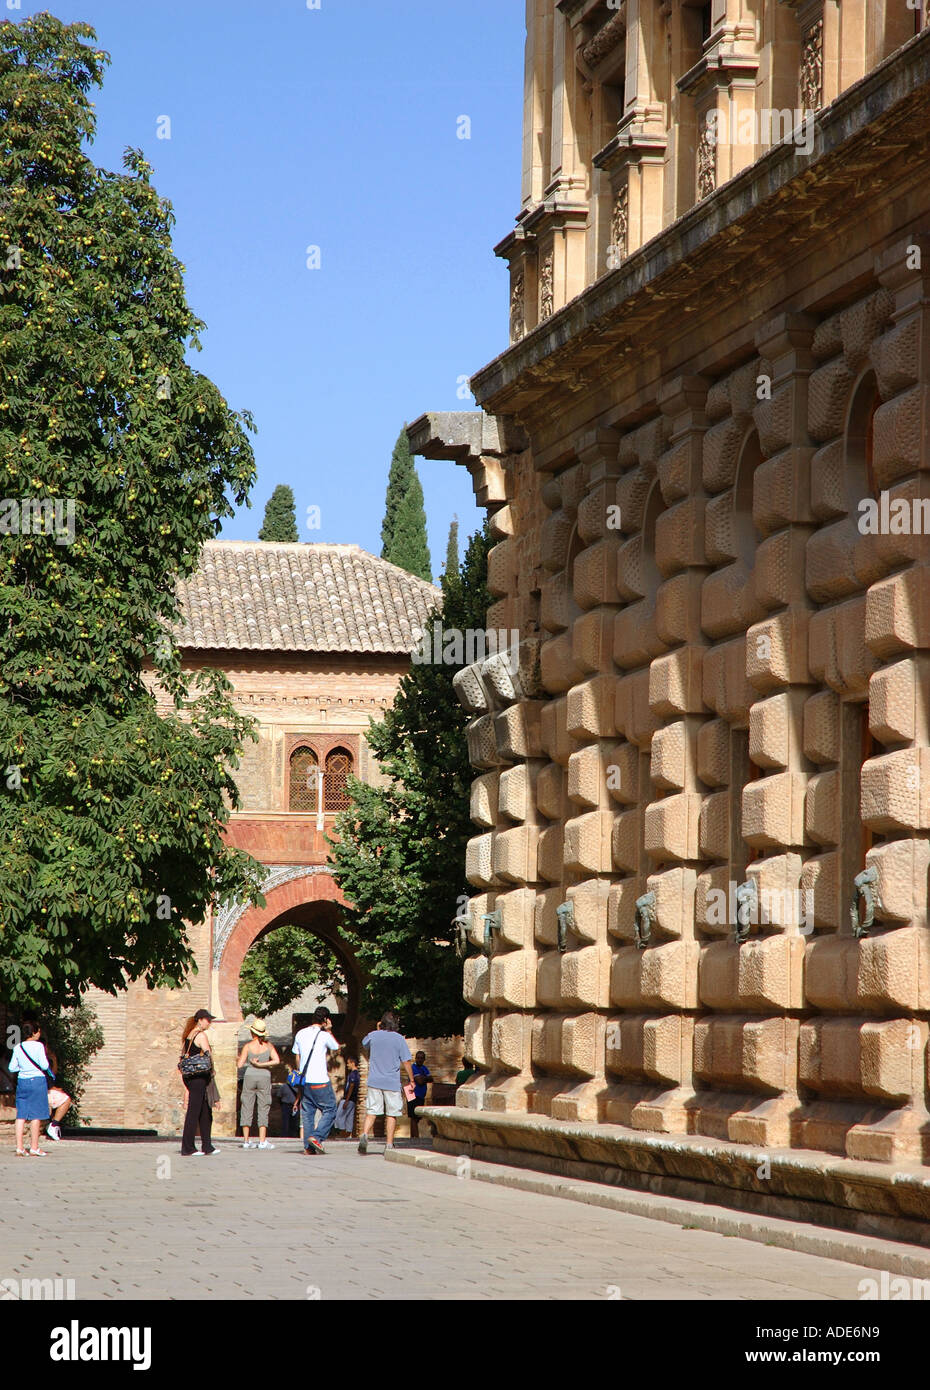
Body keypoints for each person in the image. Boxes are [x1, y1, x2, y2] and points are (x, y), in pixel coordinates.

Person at [358, 1012, 415, 1155]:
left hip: (374, 1081)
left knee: (372, 1112)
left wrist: (377, 1030)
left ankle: (364, 1134)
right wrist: (412, 1080)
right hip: (391, 1082)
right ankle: (389, 1144)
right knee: (391, 1114)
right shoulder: (399, 1039)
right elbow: (406, 1061)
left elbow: (364, 1044)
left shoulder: (373, 1035)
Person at [293, 1006, 340, 1156]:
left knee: (307, 1113)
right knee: (330, 1109)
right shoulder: (324, 1035)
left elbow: (297, 1056)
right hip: (320, 1080)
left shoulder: (301, 1033)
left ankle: (308, 1147)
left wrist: (300, 1073)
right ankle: (317, 1137)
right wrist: (329, 1030)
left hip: (305, 1080)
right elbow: (336, 1047)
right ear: (325, 1020)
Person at [179, 1009, 219, 1157]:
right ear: (200, 1020)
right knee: (194, 1112)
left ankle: (207, 1146)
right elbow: (208, 1054)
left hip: (190, 1076)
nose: (209, 1023)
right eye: (208, 1020)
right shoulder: (200, 1035)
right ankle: (188, 1147)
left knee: (204, 1111)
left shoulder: (188, 1035)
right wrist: (212, 1070)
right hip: (198, 1077)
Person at [9, 1020, 52, 1157]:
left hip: (22, 1081)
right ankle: (34, 1147)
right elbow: (44, 1065)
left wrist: (23, 1067)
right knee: (36, 1115)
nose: (39, 1034)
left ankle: (19, 1147)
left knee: (21, 1115)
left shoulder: (18, 1047)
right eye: (38, 1031)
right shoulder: (39, 1046)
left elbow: (12, 1067)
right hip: (37, 1081)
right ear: (33, 1032)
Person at [237, 1019, 279, 1149]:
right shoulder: (268, 1046)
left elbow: (239, 1065)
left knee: (247, 1106)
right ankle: (262, 1141)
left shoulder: (248, 1046)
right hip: (264, 1075)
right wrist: (262, 1064)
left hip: (250, 1075)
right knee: (263, 1106)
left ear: (252, 1032)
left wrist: (242, 1059)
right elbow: (276, 1060)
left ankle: (246, 1140)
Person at [44, 1045, 73, 1142]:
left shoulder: (46, 1063)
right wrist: (55, 1088)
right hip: (44, 1091)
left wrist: (54, 1060)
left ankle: (52, 1124)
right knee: (66, 1099)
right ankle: (54, 1125)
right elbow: (45, 1081)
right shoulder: (40, 1063)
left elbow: (52, 1075)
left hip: (48, 1089)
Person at [333, 1054, 359, 1138]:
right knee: (349, 1119)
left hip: (348, 1099)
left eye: (348, 1063)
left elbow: (351, 1087)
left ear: (353, 1063)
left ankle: (342, 1135)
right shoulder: (356, 1074)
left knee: (339, 1117)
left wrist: (346, 1100)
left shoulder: (353, 1074)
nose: (347, 1065)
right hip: (353, 1100)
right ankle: (348, 1135)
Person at [407, 1050, 431, 1139]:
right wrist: (425, 1078)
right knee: (413, 1116)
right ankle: (415, 1137)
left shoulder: (424, 1068)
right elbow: (420, 1081)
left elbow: (431, 1078)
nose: (420, 1060)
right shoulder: (413, 1068)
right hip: (412, 1093)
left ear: (424, 1059)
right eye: (418, 1058)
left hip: (420, 1094)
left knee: (417, 1117)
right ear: (415, 1058)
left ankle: (413, 1136)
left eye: (422, 1058)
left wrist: (423, 1078)